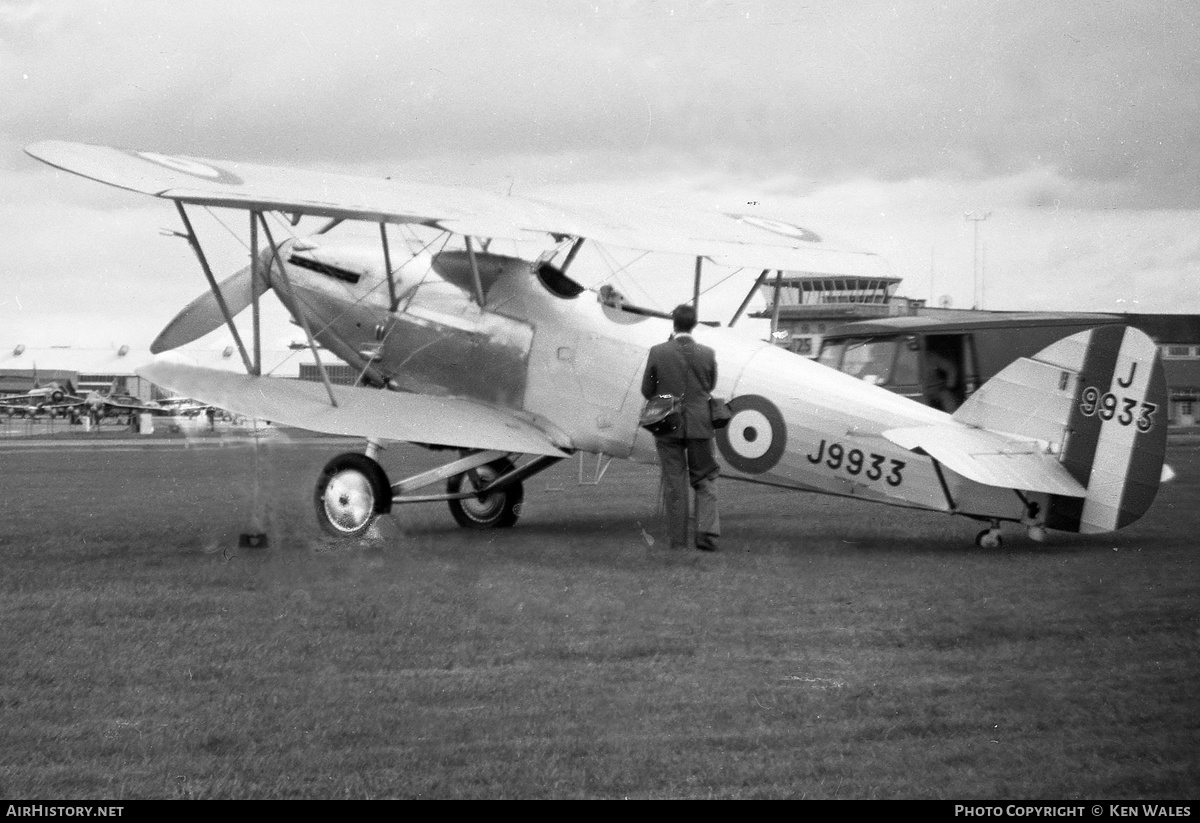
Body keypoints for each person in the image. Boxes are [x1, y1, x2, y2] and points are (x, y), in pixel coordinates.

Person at [640, 304, 720, 551]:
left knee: (675, 482)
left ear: (673, 323)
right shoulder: (707, 353)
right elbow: (711, 384)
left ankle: (678, 541)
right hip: (699, 423)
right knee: (705, 478)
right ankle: (706, 535)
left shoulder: (658, 352)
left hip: (668, 424)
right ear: (694, 324)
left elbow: (647, 390)